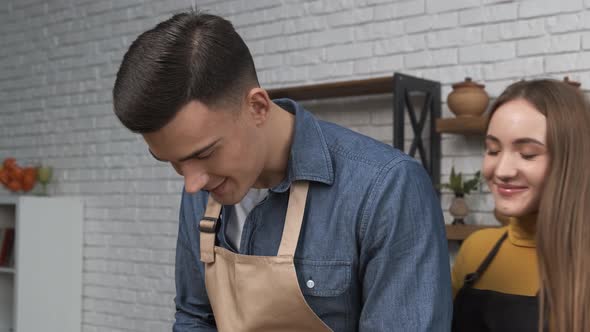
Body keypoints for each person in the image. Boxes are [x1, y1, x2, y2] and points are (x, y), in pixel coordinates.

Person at [113, 10, 452, 332]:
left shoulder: (386, 189)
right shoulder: (203, 186)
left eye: (205, 153)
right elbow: (194, 318)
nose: (191, 183)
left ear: (257, 107)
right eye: (172, 162)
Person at [451, 79, 590, 332]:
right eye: (492, 150)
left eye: (527, 154)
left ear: (571, 160)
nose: (502, 171)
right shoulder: (476, 249)